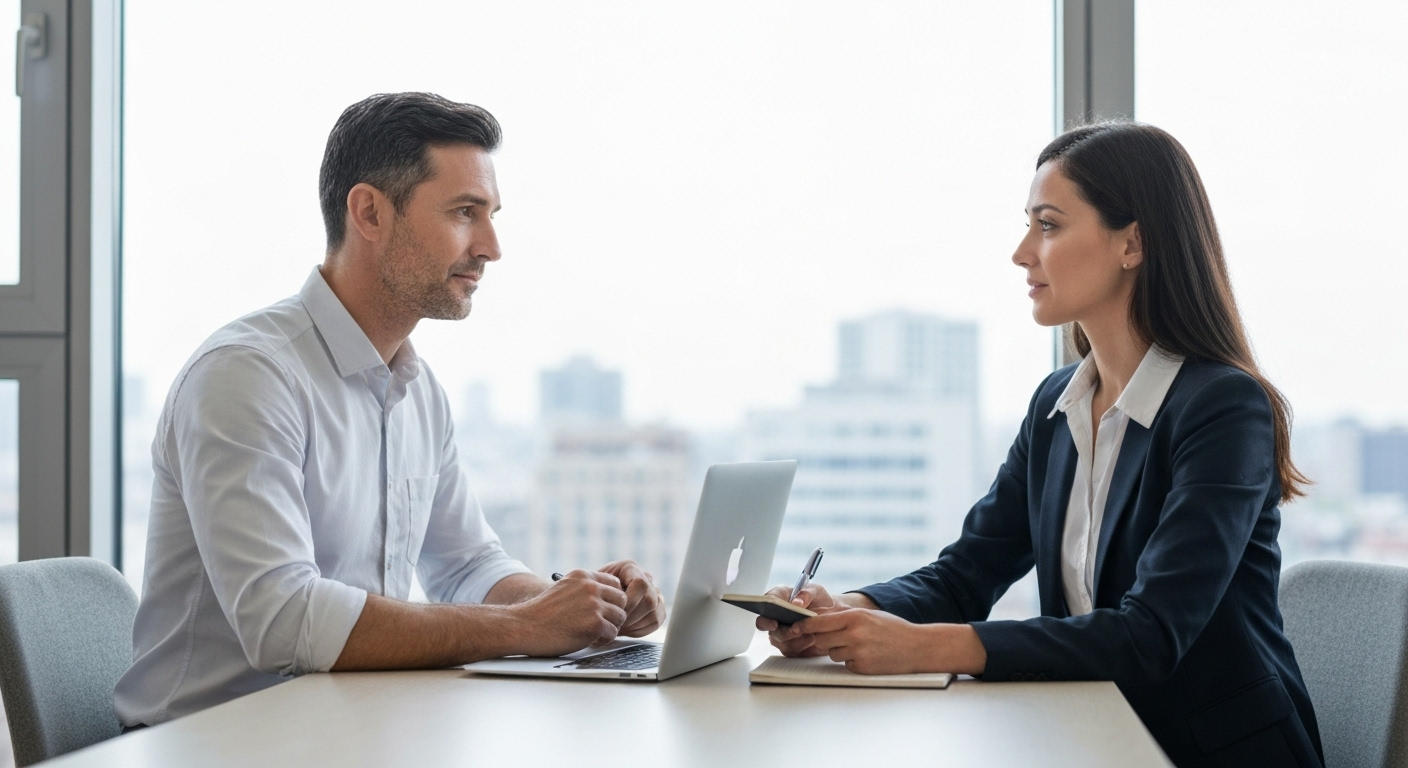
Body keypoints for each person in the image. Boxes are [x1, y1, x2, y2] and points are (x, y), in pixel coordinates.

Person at [756, 122, 1323, 767]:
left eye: (1049, 225)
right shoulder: (1057, 405)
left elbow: (1150, 637)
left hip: (1209, 751)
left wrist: (924, 646)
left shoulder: (1223, 409)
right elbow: (967, 572)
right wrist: (850, 612)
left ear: (1132, 242)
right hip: (1089, 734)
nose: (1023, 252)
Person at [114, 93, 666, 728]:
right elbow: (284, 622)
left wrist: (581, 604)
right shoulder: (247, 376)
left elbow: (466, 565)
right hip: (208, 743)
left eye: (490, 215)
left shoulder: (416, 387)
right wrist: (526, 625)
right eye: (465, 212)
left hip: (343, 729)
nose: (490, 246)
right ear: (369, 212)